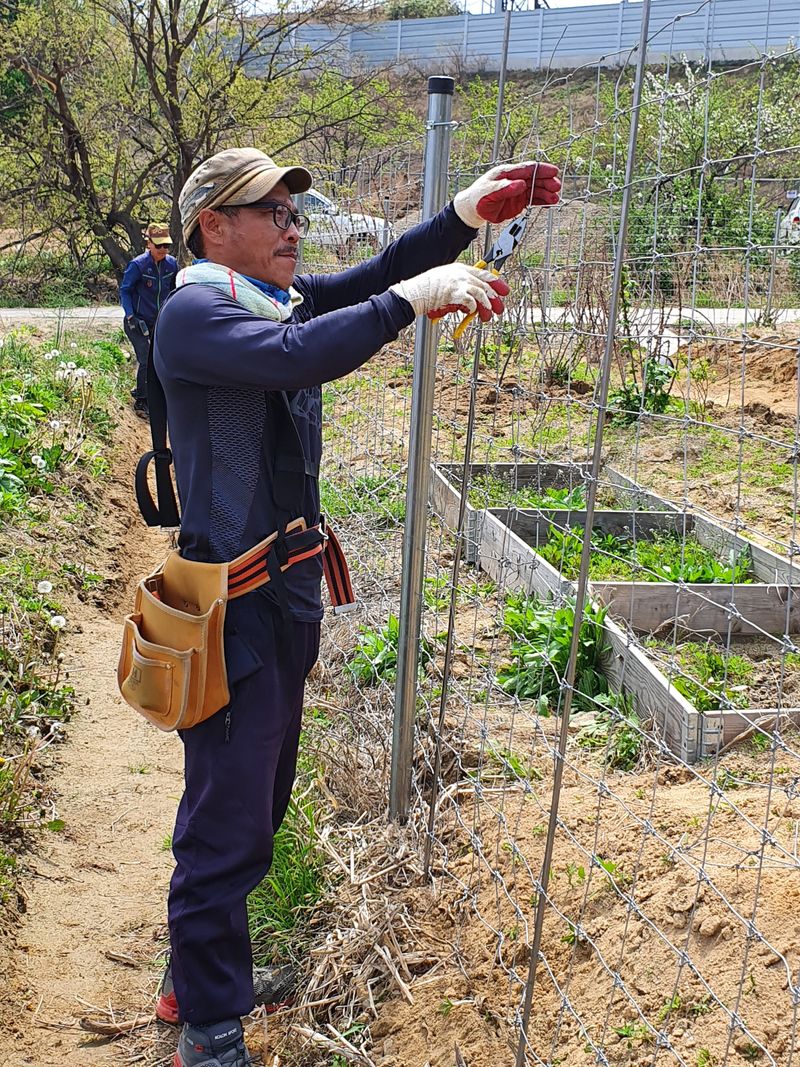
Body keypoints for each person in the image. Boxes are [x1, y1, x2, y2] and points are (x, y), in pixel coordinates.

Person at [150, 146, 560, 1067]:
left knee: (255, 802)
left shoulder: (266, 297)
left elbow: (377, 275)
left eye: (298, 215)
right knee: (227, 822)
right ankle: (210, 1031)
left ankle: (195, 975)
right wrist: (413, 303)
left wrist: (462, 214)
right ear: (214, 226)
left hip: (283, 597)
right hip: (230, 610)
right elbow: (308, 350)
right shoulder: (195, 311)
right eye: (273, 213)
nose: (295, 228)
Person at [119, 223, 178, 418]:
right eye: (159, 246)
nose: (163, 250)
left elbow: (175, 289)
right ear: (149, 244)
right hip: (137, 321)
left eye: (166, 246)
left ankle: (148, 392)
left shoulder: (172, 264)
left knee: (160, 359)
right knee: (145, 359)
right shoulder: (138, 265)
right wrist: (130, 315)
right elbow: (125, 290)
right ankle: (141, 403)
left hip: (160, 321)